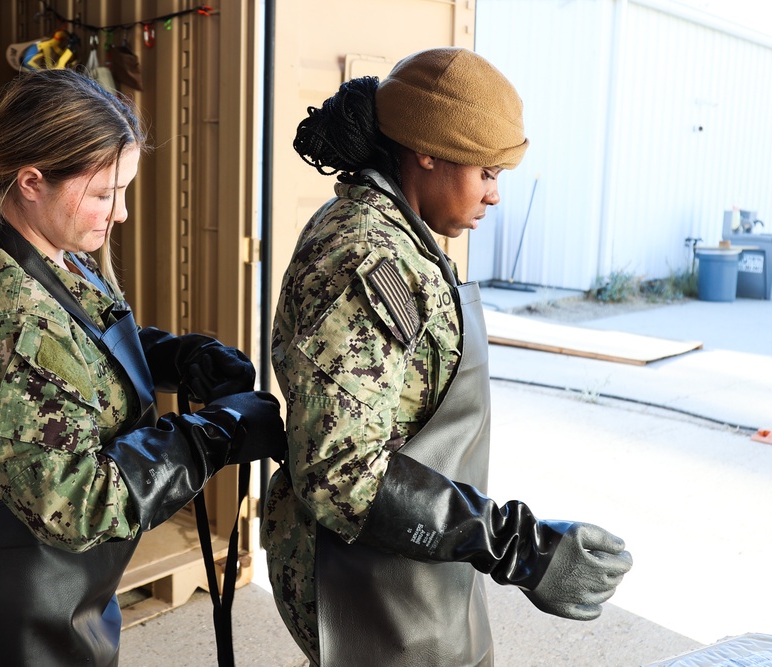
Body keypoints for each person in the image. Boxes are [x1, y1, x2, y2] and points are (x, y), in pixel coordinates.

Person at [262, 47, 634, 667]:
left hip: (414, 555)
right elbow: (341, 473)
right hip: (360, 576)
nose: (493, 196)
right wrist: (516, 546)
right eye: (485, 173)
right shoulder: (365, 256)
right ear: (425, 151)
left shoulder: (404, 234)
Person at [0, 68, 285, 666]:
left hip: (58, 575)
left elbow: (79, 349)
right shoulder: (7, 322)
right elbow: (76, 501)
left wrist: (177, 356)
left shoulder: (53, 256)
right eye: (104, 193)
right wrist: (212, 438)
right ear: (32, 181)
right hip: (11, 590)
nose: (120, 214)